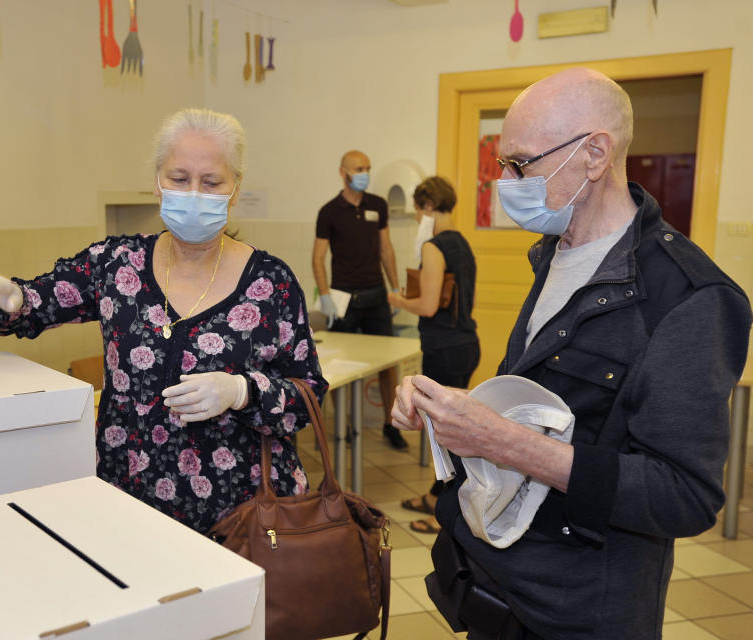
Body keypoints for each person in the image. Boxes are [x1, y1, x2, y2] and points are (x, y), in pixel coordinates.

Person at [392, 67, 751, 639]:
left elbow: (683, 496)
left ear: (594, 154)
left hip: (581, 607)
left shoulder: (688, 298)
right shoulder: (553, 256)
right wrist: (455, 409)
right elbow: (545, 401)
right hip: (501, 581)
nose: (506, 181)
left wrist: (507, 442)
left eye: (520, 163)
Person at [0, 108, 328, 535]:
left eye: (212, 182)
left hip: (244, 516)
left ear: (235, 189)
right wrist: (13, 298)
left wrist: (242, 391)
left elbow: (308, 396)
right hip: (129, 502)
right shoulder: (116, 264)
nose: (195, 194)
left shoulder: (270, 282)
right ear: (157, 183)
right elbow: (38, 302)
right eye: (180, 179)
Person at [388, 176, 479, 535]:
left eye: (416, 211)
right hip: (465, 344)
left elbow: (427, 306)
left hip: (444, 348)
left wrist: (396, 300)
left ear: (426, 207)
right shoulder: (463, 244)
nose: (416, 219)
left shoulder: (434, 245)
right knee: (448, 429)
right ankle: (435, 493)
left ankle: (448, 511)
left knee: (447, 434)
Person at [312, 150, 406, 450]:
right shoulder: (329, 211)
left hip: (376, 295)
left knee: (389, 365)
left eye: (367, 167)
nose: (364, 172)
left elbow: (386, 249)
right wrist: (324, 296)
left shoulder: (377, 205)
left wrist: (395, 289)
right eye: (358, 168)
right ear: (343, 172)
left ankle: (391, 425)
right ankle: (345, 426)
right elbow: (317, 258)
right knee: (339, 366)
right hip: (343, 301)